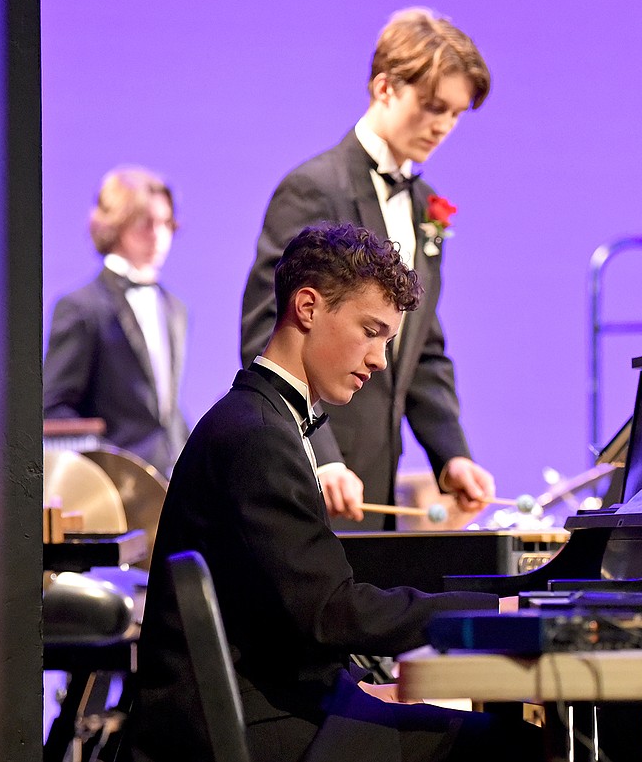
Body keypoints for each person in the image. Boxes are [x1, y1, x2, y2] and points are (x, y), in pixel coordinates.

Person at [130, 225, 542, 762]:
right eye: (371, 331)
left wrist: (354, 690)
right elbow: (331, 611)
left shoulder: (259, 420)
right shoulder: (256, 437)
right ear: (308, 307)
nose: (379, 361)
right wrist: (500, 612)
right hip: (254, 729)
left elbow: (285, 615)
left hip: (276, 701)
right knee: (518, 748)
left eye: (388, 341)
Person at [240, 7, 495, 530]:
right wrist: (321, 454)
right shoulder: (314, 188)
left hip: (376, 472)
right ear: (384, 88)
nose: (443, 125)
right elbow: (269, 330)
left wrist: (452, 456)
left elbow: (419, 347)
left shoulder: (427, 206)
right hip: (309, 469)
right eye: (432, 106)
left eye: (455, 113)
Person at [43, 165, 189, 478]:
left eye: (165, 223)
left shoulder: (173, 307)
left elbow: (164, 410)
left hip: (173, 484)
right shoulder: (81, 307)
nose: (159, 236)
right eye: (145, 223)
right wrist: (107, 461)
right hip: (112, 490)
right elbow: (54, 407)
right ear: (116, 223)